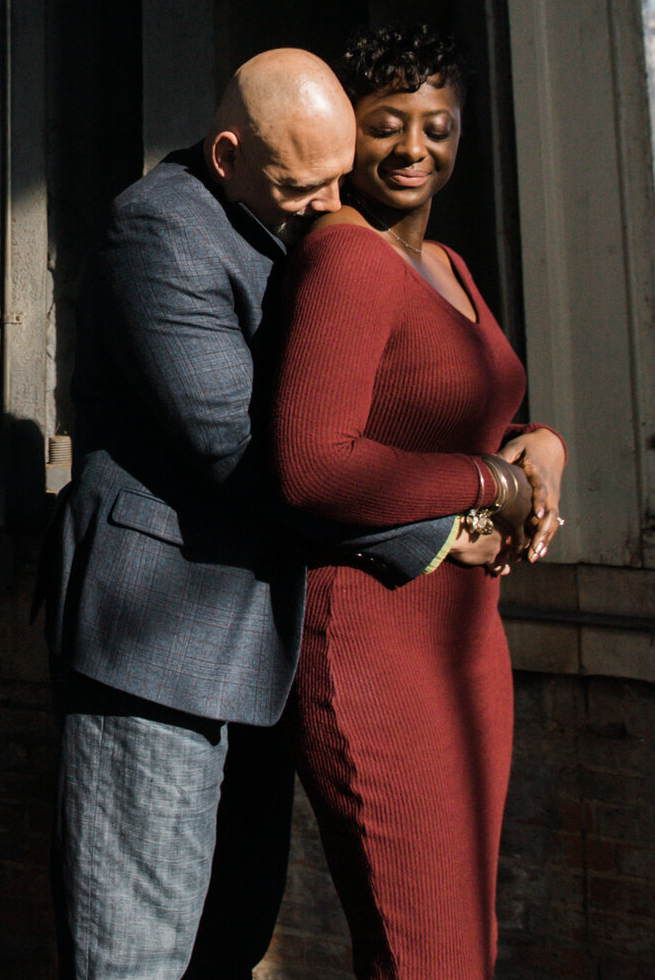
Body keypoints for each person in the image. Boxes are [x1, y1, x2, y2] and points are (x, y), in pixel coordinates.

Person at [43, 49, 473, 980]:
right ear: (228, 149)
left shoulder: (278, 210)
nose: (327, 207)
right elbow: (248, 452)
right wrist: (443, 525)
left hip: (260, 642)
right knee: (135, 952)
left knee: (228, 937)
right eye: (300, 185)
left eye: (333, 180)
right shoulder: (156, 233)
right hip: (155, 645)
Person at [263, 26, 566, 980]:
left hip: (467, 643)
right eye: (387, 124)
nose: (414, 148)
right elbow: (311, 463)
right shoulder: (345, 260)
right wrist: (494, 483)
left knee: (463, 946)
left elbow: (465, 410)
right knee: (422, 954)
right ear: (349, 134)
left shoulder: (449, 265)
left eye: (438, 126)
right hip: (372, 645)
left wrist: (542, 447)